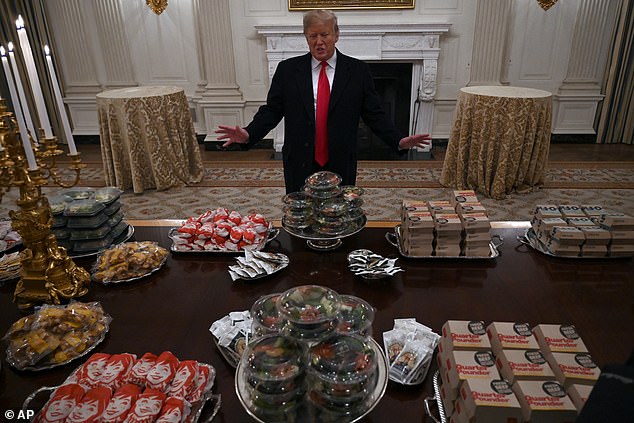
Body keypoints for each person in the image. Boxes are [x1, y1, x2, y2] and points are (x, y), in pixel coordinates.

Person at [216, 9, 431, 194]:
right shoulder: (288, 70)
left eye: (325, 34)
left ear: (336, 34)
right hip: (300, 158)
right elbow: (272, 110)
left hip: (340, 159)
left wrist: (398, 140)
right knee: (301, 218)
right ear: (306, 37)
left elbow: (374, 114)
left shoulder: (357, 71)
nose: (319, 42)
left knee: (338, 217)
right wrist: (248, 133)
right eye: (313, 36)